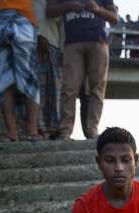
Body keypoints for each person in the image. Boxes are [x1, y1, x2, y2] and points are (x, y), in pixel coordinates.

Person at [47, 0, 117, 140]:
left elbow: (114, 18)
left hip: (98, 41)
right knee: (69, 87)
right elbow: (49, 11)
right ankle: (65, 130)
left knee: (97, 87)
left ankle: (92, 129)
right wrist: (68, 6)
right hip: (72, 43)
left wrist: (97, 9)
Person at [0, 0, 41, 142]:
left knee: (28, 76)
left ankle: (32, 131)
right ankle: (13, 132)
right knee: (4, 78)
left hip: (22, 16)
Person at [33, 0, 62, 137]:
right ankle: (40, 128)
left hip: (53, 43)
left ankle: (50, 128)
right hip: (34, 41)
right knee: (39, 88)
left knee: (52, 91)